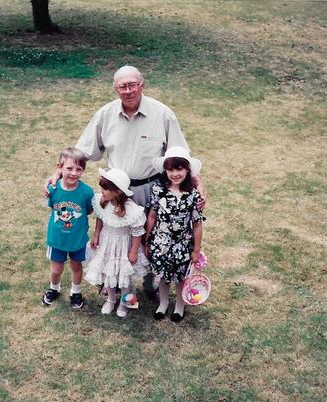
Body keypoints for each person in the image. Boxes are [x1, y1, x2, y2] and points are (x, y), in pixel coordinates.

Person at [46, 65, 207, 299]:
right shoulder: (105, 114)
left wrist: (197, 180)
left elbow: (178, 154)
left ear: (142, 84)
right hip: (116, 190)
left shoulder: (163, 114)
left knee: (153, 235)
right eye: (122, 86)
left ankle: (153, 281)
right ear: (115, 88)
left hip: (152, 187)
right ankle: (116, 283)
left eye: (133, 84)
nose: (128, 90)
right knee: (115, 235)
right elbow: (82, 151)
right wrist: (58, 172)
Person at [145, 147, 205, 323]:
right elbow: (152, 215)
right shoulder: (158, 189)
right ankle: (163, 303)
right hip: (161, 242)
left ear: (187, 170)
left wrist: (196, 249)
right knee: (163, 276)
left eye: (179, 169)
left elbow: (197, 223)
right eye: (170, 169)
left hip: (182, 244)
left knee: (179, 277)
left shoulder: (192, 194)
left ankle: (180, 305)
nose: (175, 174)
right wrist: (148, 240)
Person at [84, 168, 149, 318]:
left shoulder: (131, 210)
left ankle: (124, 303)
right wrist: (96, 235)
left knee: (124, 276)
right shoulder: (103, 202)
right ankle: (111, 299)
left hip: (123, 246)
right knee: (108, 272)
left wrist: (133, 252)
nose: (102, 191)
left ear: (118, 191)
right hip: (107, 243)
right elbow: (101, 218)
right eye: (102, 187)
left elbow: (137, 232)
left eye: (106, 189)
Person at [42, 148, 94, 309]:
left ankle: (76, 292)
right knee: (56, 269)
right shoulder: (53, 189)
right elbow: (53, 208)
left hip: (77, 239)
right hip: (57, 239)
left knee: (76, 266)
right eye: (69, 168)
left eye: (78, 169)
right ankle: (54, 288)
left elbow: (89, 210)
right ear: (60, 167)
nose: (73, 173)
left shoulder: (87, 192)